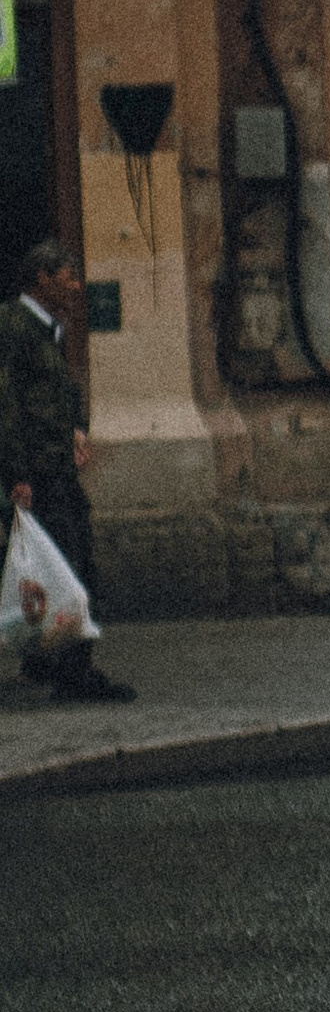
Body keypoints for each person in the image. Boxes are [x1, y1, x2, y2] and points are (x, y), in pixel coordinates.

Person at [1, 239, 136, 704]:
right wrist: (17, 474)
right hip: (36, 475)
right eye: (67, 277)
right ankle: (74, 676)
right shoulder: (13, 326)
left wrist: (76, 428)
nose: (76, 286)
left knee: (49, 566)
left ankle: (44, 657)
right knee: (70, 569)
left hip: (55, 467)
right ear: (42, 277)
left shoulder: (48, 330)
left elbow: (57, 395)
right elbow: (7, 405)